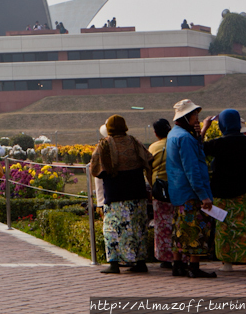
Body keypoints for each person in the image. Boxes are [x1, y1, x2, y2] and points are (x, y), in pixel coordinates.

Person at [91, 115, 153, 274]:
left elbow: (95, 170)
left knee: (113, 229)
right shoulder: (134, 142)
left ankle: (114, 264)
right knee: (138, 228)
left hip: (115, 194)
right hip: (137, 193)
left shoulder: (104, 145)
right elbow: (148, 159)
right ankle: (140, 262)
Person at [203, 109, 246, 272]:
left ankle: (227, 263)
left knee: (224, 227)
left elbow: (198, 149)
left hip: (221, 192)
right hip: (244, 191)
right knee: (245, 226)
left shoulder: (219, 143)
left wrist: (205, 128)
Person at [166, 99, 217, 278]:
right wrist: (203, 195)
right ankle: (194, 268)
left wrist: (199, 135)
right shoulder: (185, 138)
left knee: (180, 229)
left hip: (178, 190)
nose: (197, 118)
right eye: (195, 115)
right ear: (187, 117)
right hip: (191, 192)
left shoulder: (174, 134)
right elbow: (192, 169)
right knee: (195, 229)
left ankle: (177, 265)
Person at [149, 119, 176, 269]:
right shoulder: (176, 142)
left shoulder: (154, 147)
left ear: (155, 133)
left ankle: (165, 258)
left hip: (159, 191)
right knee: (176, 223)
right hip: (177, 188)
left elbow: (148, 168)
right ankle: (180, 255)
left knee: (162, 225)